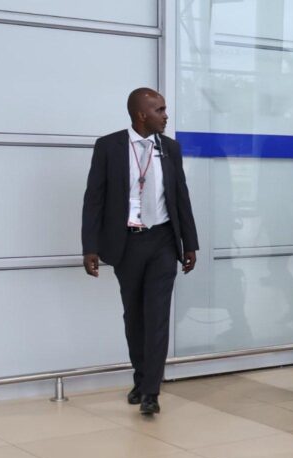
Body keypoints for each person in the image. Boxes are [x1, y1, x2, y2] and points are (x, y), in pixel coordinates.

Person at [81, 87, 199, 416]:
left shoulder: (171, 149)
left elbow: (181, 197)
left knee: (158, 316)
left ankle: (151, 391)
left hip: (163, 240)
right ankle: (141, 377)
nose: (166, 115)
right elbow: (94, 198)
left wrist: (189, 243)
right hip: (128, 242)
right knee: (134, 316)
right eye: (160, 110)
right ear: (141, 115)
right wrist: (89, 246)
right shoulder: (109, 147)